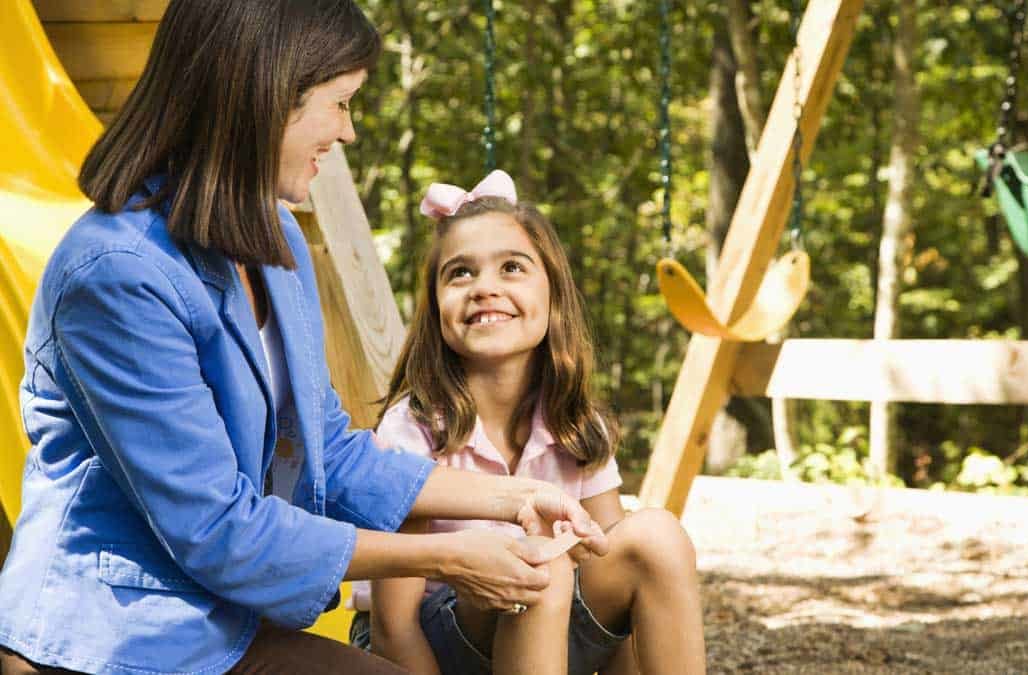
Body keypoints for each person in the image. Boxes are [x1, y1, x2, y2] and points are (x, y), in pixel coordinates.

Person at [0, 2, 606, 673]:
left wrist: (516, 496)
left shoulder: (274, 236)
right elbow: (216, 529)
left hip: (217, 627)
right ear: (268, 96)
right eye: (339, 102)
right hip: (109, 641)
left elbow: (332, 452)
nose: (347, 131)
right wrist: (448, 555)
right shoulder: (116, 277)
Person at [357, 171, 707, 675]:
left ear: (553, 295)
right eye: (460, 274)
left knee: (655, 537)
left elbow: (611, 566)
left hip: (546, 627)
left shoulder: (576, 423)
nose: (485, 288)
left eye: (512, 268)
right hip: (426, 648)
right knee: (539, 563)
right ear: (435, 308)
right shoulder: (414, 430)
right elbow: (394, 628)